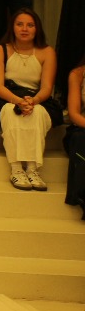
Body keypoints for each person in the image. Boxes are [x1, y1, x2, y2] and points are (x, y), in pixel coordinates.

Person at [0, 8, 58, 191]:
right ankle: (17, 169)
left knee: (37, 113)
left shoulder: (47, 52)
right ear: (13, 27)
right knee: (11, 113)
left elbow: (47, 88)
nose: (24, 29)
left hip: (36, 98)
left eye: (30, 25)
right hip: (7, 97)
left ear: (37, 28)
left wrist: (33, 101)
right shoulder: (1, 50)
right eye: (20, 24)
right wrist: (17, 101)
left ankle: (33, 169)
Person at [63, 53, 85, 216]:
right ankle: (80, 196)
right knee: (80, 139)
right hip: (82, 127)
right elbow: (74, 114)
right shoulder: (78, 74)